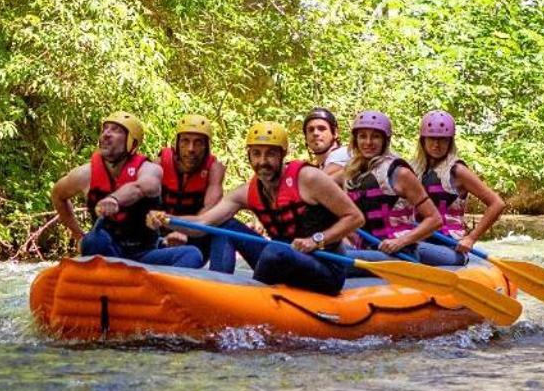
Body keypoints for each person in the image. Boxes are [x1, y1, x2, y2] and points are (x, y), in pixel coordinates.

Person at [152, 121, 363, 295]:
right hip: (280, 260)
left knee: (276, 250)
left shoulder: (308, 179)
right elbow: (203, 224)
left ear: (282, 154)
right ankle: (217, 287)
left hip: (325, 267)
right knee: (226, 225)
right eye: (256, 154)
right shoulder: (246, 192)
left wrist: (316, 240)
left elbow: (354, 217)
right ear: (249, 156)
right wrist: (167, 220)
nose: (263, 161)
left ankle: (253, 299)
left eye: (270, 154)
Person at [338, 111, 455, 264]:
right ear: (355, 140)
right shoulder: (352, 173)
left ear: (385, 141)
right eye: (362, 136)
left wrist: (400, 242)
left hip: (400, 254)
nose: (368, 142)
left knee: (335, 262)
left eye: (375, 136)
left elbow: (435, 220)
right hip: (369, 249)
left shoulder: (399, 172)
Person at [141, 114, 252, 273]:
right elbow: (145, 205)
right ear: (177, 144)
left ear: (206, 146)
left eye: (198, 142)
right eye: (185, 141)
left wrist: (181, 230)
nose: (191, 149)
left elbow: (209, 210)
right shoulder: (159, 165)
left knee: (223, 222)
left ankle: (218, 282)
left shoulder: (214, 169)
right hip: (158, 235)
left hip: (195, 237)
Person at [50, 112, 164, 260]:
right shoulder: (85, 174)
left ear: (132, 143)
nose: (106, 134)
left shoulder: (149, 169)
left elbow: (142, 187)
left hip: (145, 253)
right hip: (106, 253)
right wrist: (78, 235)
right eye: (105, 129)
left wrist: (115, 199)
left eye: (116, 130)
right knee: (94, 240)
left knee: (191, 254)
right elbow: (57, 195)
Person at [414, 110, 506, 261]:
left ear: (450, 142)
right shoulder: (415, 169)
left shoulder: (457, 170)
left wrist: (471, 238)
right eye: (432, 138)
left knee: (412, 248)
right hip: (419, 237)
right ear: (423, 140)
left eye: (443, 140)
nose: (436, 145)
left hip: (449, 245)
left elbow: (497, 204)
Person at [302, 107, 352, 177]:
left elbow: (318, 183)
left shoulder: (344, 154)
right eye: (311, 130)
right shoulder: (320, 167)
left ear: (335, 133)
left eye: (322, 129)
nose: (315, 133)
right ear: (305, 137)